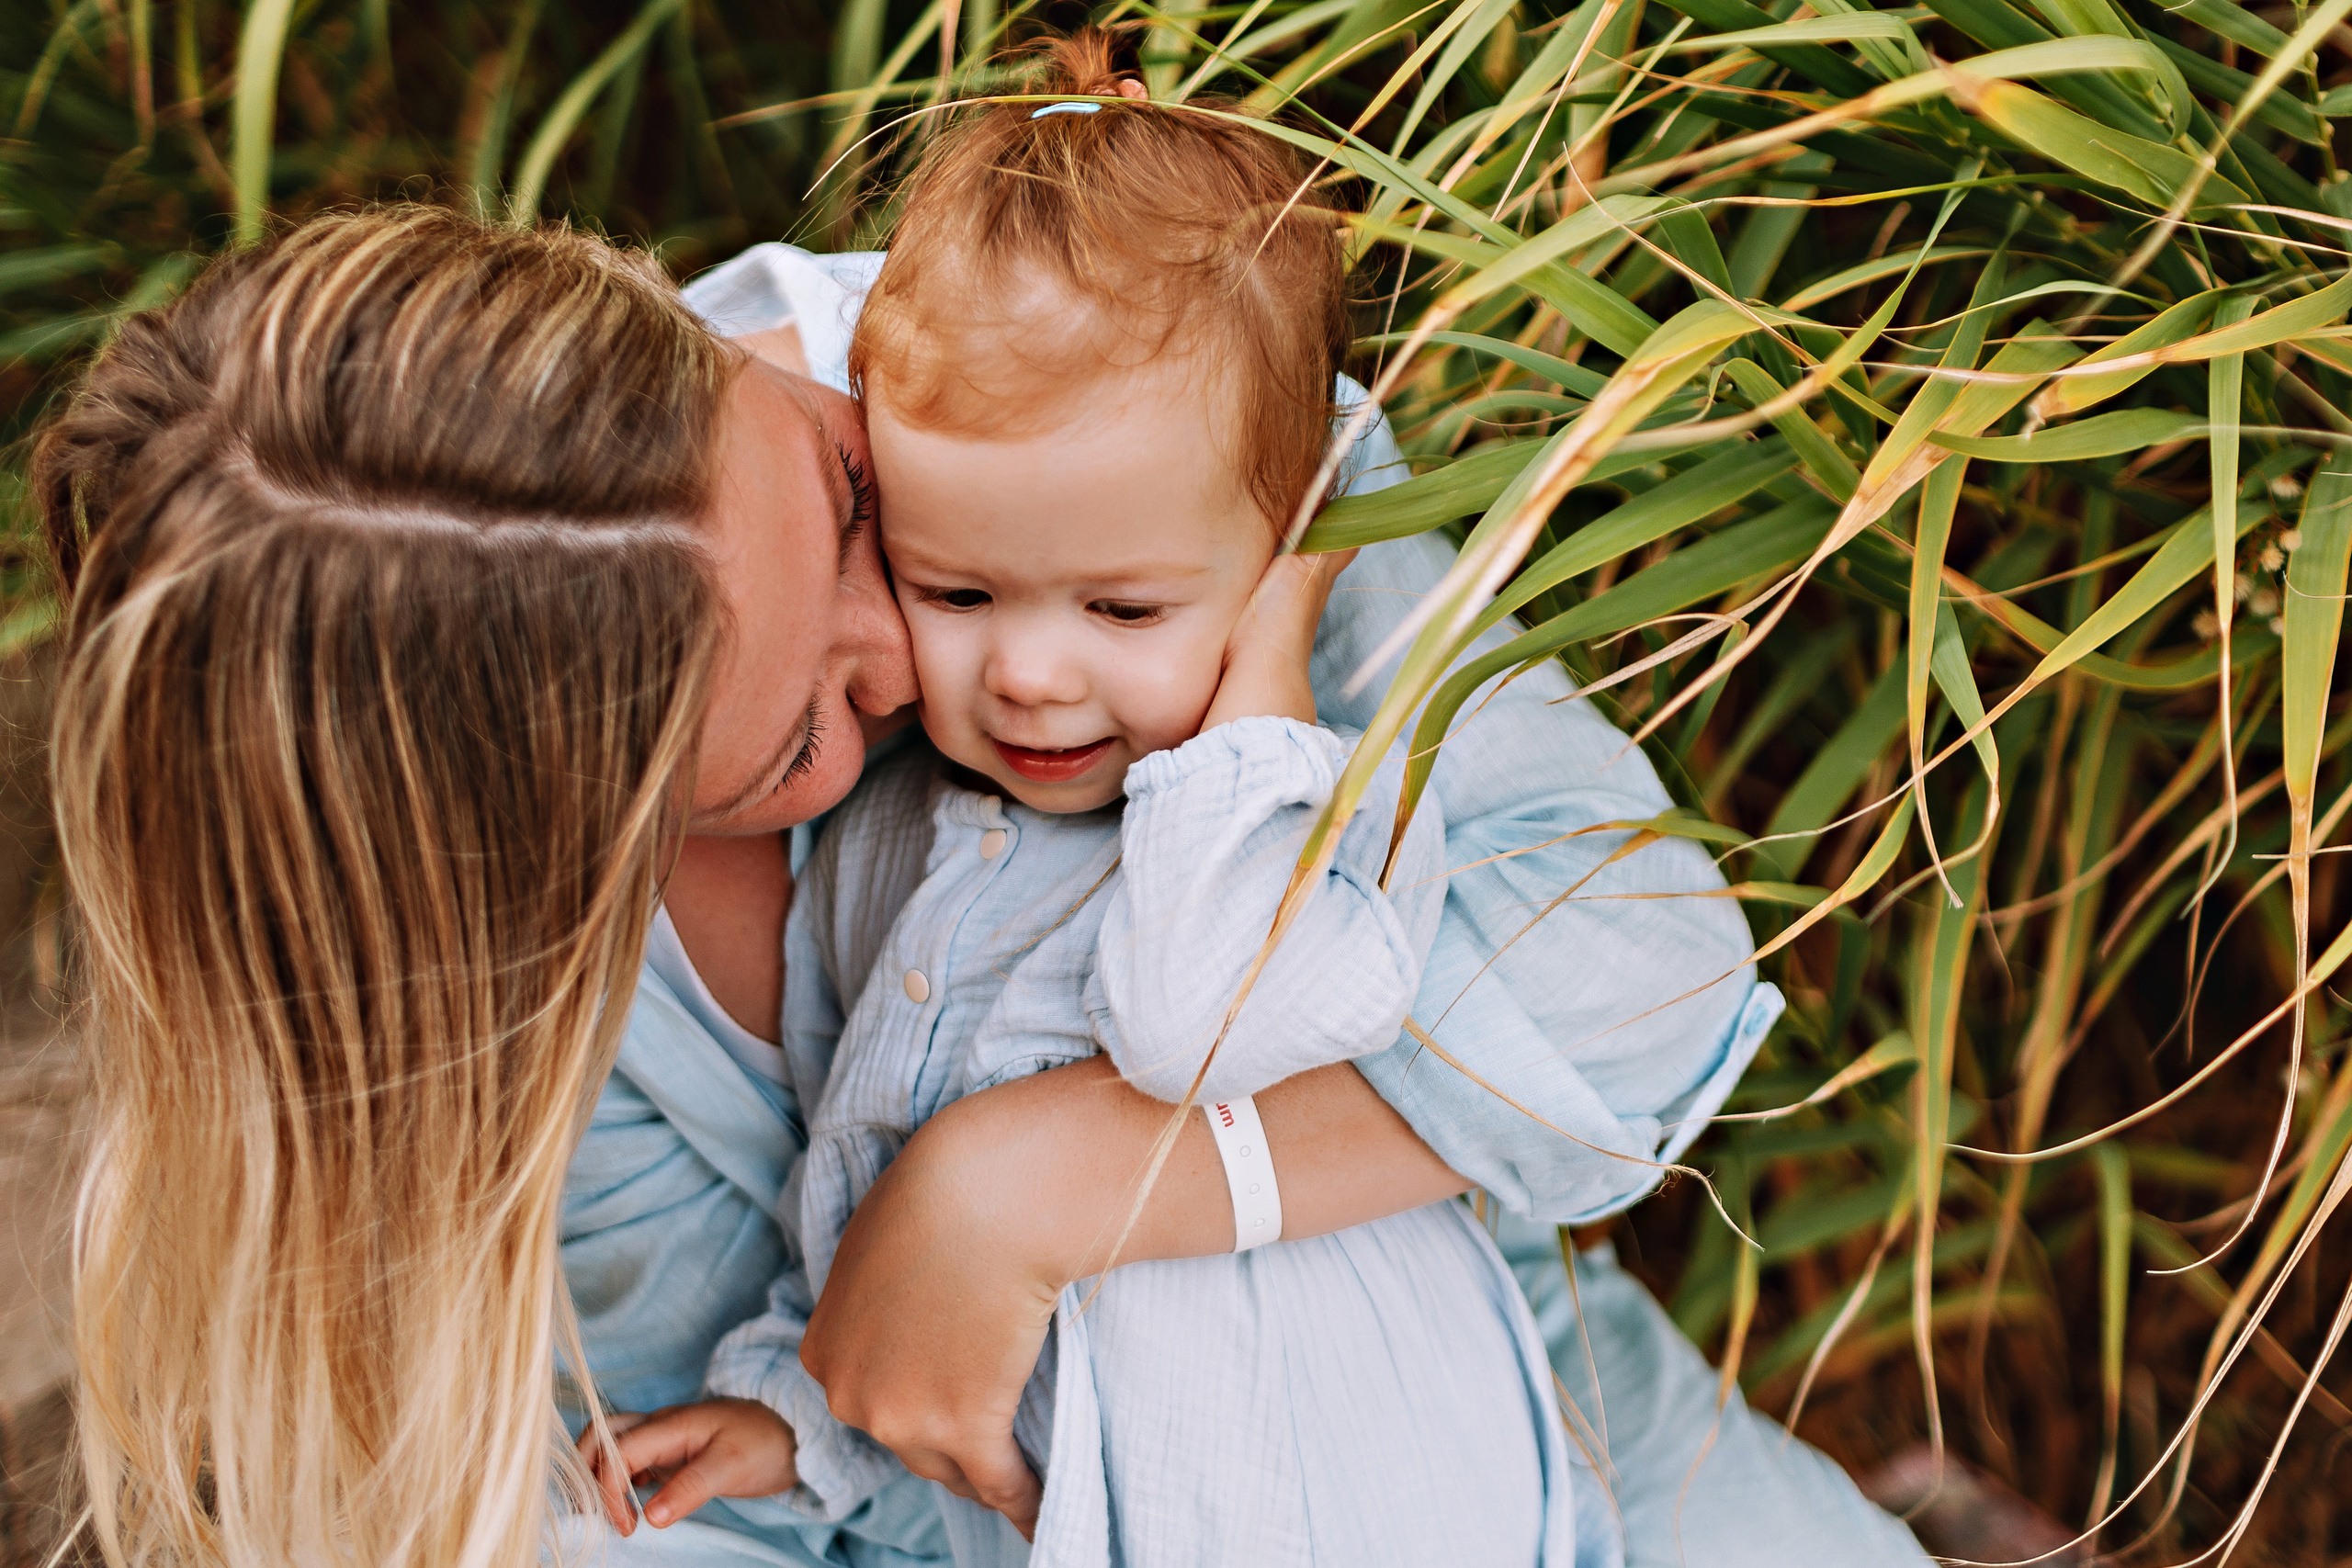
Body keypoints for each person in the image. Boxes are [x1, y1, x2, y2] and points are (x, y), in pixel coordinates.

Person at [36, 205, 1928, 1568]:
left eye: (857, 512)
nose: (961, 668)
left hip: (1469, 1388)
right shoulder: (477, 982)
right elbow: (689, 1463)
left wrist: (1024, 1185)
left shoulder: (1085, 380)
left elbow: (1636, 970)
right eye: (801, 737)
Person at [593, 40, 1589, 1567]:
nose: (1035, 677)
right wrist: (792, 1410)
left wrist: (1268, 662)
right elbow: (863, 1170)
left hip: (1359, 1503)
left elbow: (1213, 1023)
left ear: (1278, 549)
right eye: (958, 587)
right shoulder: (883, 846)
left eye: (1124, 610)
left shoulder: (1309, 797)